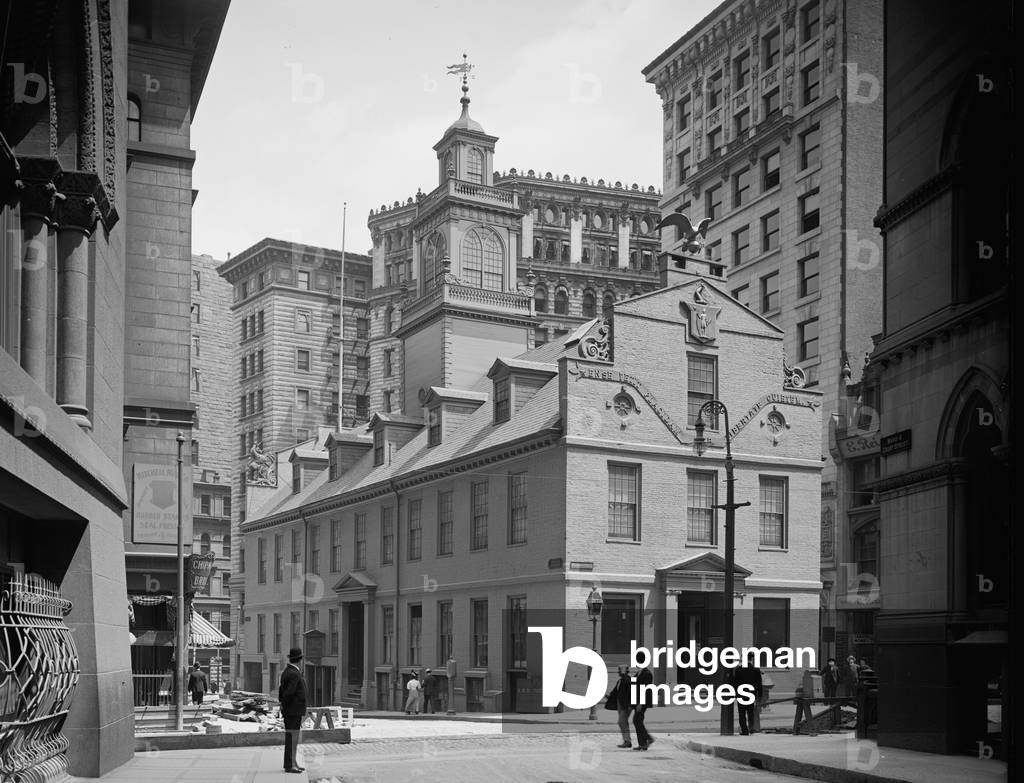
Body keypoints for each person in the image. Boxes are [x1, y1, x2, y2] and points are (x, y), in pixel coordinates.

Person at [278, 647, 308, 774]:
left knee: (292, 738)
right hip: (293, 711)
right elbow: (289, 693)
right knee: (292, 738)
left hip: (291, 710)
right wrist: (285, 705)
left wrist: (282, 704)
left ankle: (293, 762)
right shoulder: (294, 674)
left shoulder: (287, 671)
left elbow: (281, 691)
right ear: (299, 660)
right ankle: (290, 765)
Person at [732, 653, 764, 735]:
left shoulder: (739, 670)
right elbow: (759, 684)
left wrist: (735, 693)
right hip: (751, 693)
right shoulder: (756, 670)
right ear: (751, 659)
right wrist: (760, 695)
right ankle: (751, 728)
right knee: (750, 712)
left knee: (742, 712)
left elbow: (735, 683)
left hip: (741, 693)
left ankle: (744, 730)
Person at [608, 666, 634, 748]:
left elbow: (630, 693)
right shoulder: (620, 681)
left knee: (622, 721)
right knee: (624, 722)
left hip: (626, 705)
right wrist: (609, 697)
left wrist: (630, 705)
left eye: (619, 671)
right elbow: (616, 692)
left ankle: (627, 741)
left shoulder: (627, 680)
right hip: (621, 704)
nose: (618, 672)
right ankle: (627, 740)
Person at [632, 661, 655, 751]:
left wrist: (640, 703)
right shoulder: (639, 673)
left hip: (642, 702)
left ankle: (648, 739)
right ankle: (643, 744)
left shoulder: (647, 674)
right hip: (638, 701)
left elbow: (645, 689)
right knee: (637, 721)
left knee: (637, 720)